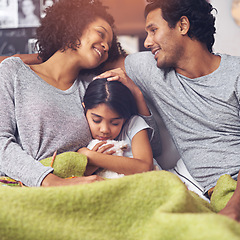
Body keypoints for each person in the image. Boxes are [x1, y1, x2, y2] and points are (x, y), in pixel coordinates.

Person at [95, 0, 240, 222]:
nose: (147, 41)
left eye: (153, 30)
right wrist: (24, 61)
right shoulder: (148, 68)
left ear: (183, 26)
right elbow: (80, 59)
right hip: (210, 192)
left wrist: (234, 209)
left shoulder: (236, 73)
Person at [0, 0, 132, 187]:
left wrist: (136, 91)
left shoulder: (92, 89)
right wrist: (51, 182)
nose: (105, 46)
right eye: (100, 34)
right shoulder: (14, 71)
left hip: (84, 183)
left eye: (109, 46)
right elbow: (1, 143)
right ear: (75, 25)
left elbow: (148, 140)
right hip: (27, 185)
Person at [79, 78, 153, 177]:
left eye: (115, 123)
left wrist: (92, 157)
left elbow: (145, 167)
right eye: (96, 120)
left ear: (125, 118)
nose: (104, 130)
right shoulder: (81, 132)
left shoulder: (133, 124)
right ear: (84, 109)